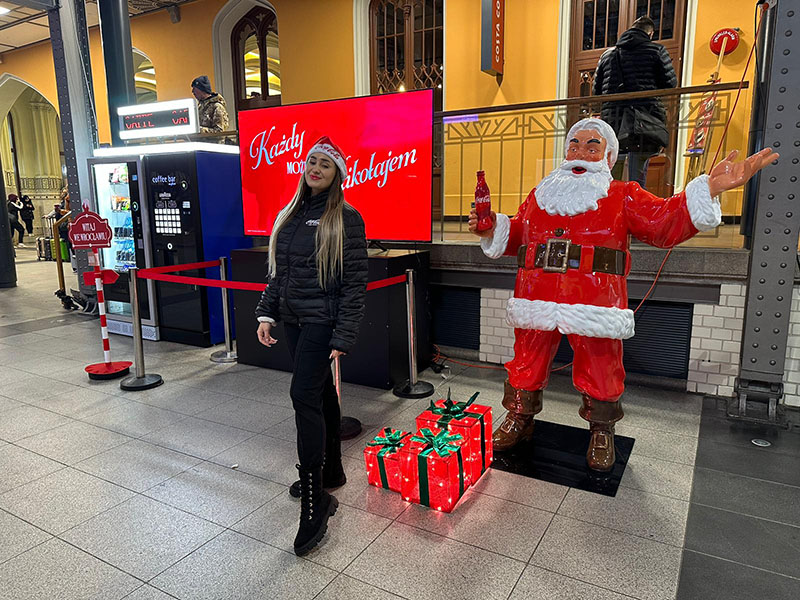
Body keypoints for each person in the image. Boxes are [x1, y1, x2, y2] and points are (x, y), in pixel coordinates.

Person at [470, 117, 777, 472]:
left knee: (601, 364)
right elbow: (519, 234)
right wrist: (494, 226)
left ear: (608, 156)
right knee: (527, 358)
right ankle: (519, 418)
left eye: (591, 145)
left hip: (594, 299)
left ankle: (601, 429)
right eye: (574, 144)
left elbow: (663, 222)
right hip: (536, 293)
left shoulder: (622, 195)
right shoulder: (541, 195)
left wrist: (709, 188)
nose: (580, 152)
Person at [254, 136, 368, 555]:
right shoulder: (292, 212)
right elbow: (278, 274)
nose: (315, 168)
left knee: (302, 395)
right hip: (294, 320)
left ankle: (316, 497)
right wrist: (267, 313)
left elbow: (356, 284)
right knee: (318, 391)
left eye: (325, 164)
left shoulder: (346, 218)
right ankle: (332, 470)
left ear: (338, 173)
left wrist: (344, 334)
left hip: (322, 321)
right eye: (311, 162)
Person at [592, 16, 678, 188]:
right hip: (644, 121)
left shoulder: (607, 55)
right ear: (650, 33)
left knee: (611, 174)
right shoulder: (656, 51)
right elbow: (670, 84)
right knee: (638, 175)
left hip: (613, 122)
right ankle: (635, 209)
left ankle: (610, 209)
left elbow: (596, 91)